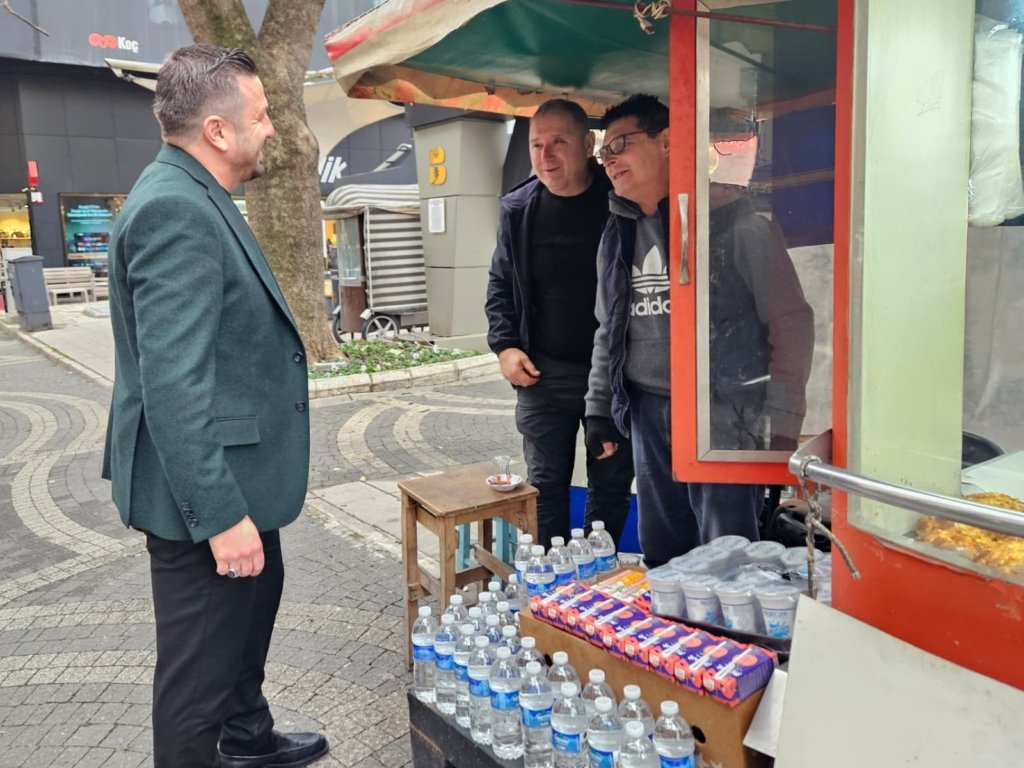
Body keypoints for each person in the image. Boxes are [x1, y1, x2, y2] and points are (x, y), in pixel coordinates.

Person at [101, 45, 328, 768]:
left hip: (238, 475)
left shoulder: (192, 191)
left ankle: (248, 737)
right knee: (196, 679)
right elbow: (172, 384)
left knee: (246, 624)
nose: (272, 128)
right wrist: (223, 518)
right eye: (260, 115)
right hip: (204, 497)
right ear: (218, 131)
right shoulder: (175, 209)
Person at [585, 94, 784, 567]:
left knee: (728, 551)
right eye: (603, 150)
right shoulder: (617, 231)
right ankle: (672, 620)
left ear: (669, 142)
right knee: (664, 547)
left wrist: (784, 414)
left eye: (621, 144)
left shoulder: (733, 223)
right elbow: (608, 328)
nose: (608, 159)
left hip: (722, 409)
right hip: (648, 409)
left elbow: (790, 321)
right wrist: (598, 409)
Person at [486, 98, 635, 548]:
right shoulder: (519, 210)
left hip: (612, 375)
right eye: (536, 145)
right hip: (543, 374)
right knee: (545, 484)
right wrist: (505, 346)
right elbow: (500, 283)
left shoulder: (621, 202)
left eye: (558, 142)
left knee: (610, 485)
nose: (545, 155)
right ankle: (553, 578)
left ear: (588, 145)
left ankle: (599, 572)